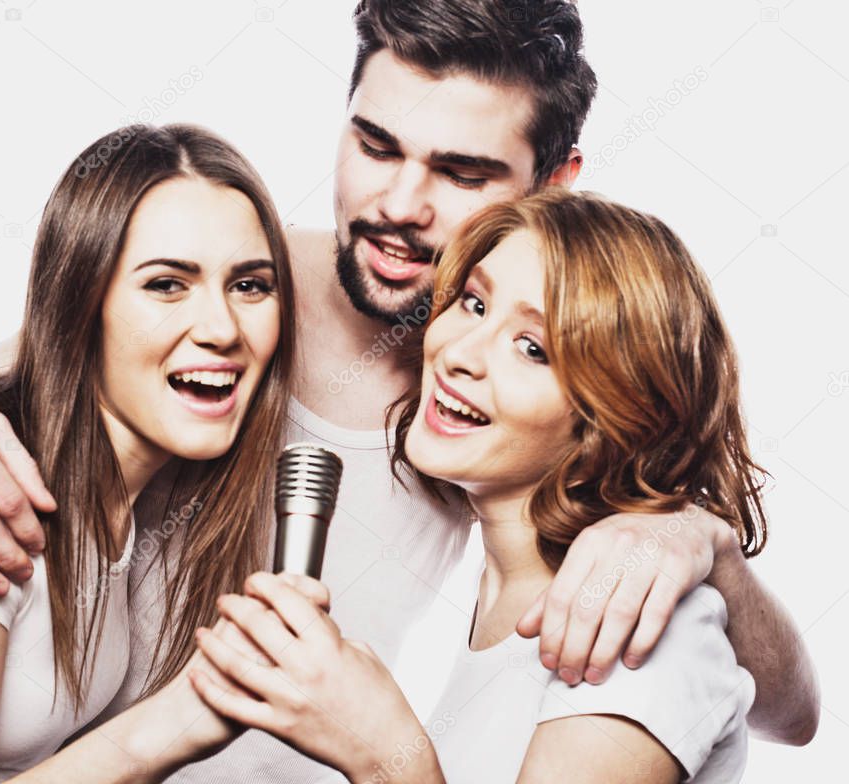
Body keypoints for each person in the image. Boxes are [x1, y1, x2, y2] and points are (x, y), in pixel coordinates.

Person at [0, 1, 818, 780]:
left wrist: (707, 548)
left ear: (552, 186)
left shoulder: (504, 412)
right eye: (377, 145)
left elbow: (789, 712)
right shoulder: (234, 293)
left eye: (462, 171)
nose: (398, 205)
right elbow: (20, 391)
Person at [191, 189, 763, 783]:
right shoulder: (473, 596)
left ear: (616, 415)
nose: (459, 353)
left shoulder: (636, 631)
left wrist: (380, 747)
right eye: (473, 303)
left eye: (532, 348)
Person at [0, 123, 311, 783]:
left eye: (249, 285)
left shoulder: (118, 511)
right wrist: (165, 729)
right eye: (167, 284)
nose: (222, 328)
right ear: (83, 304)